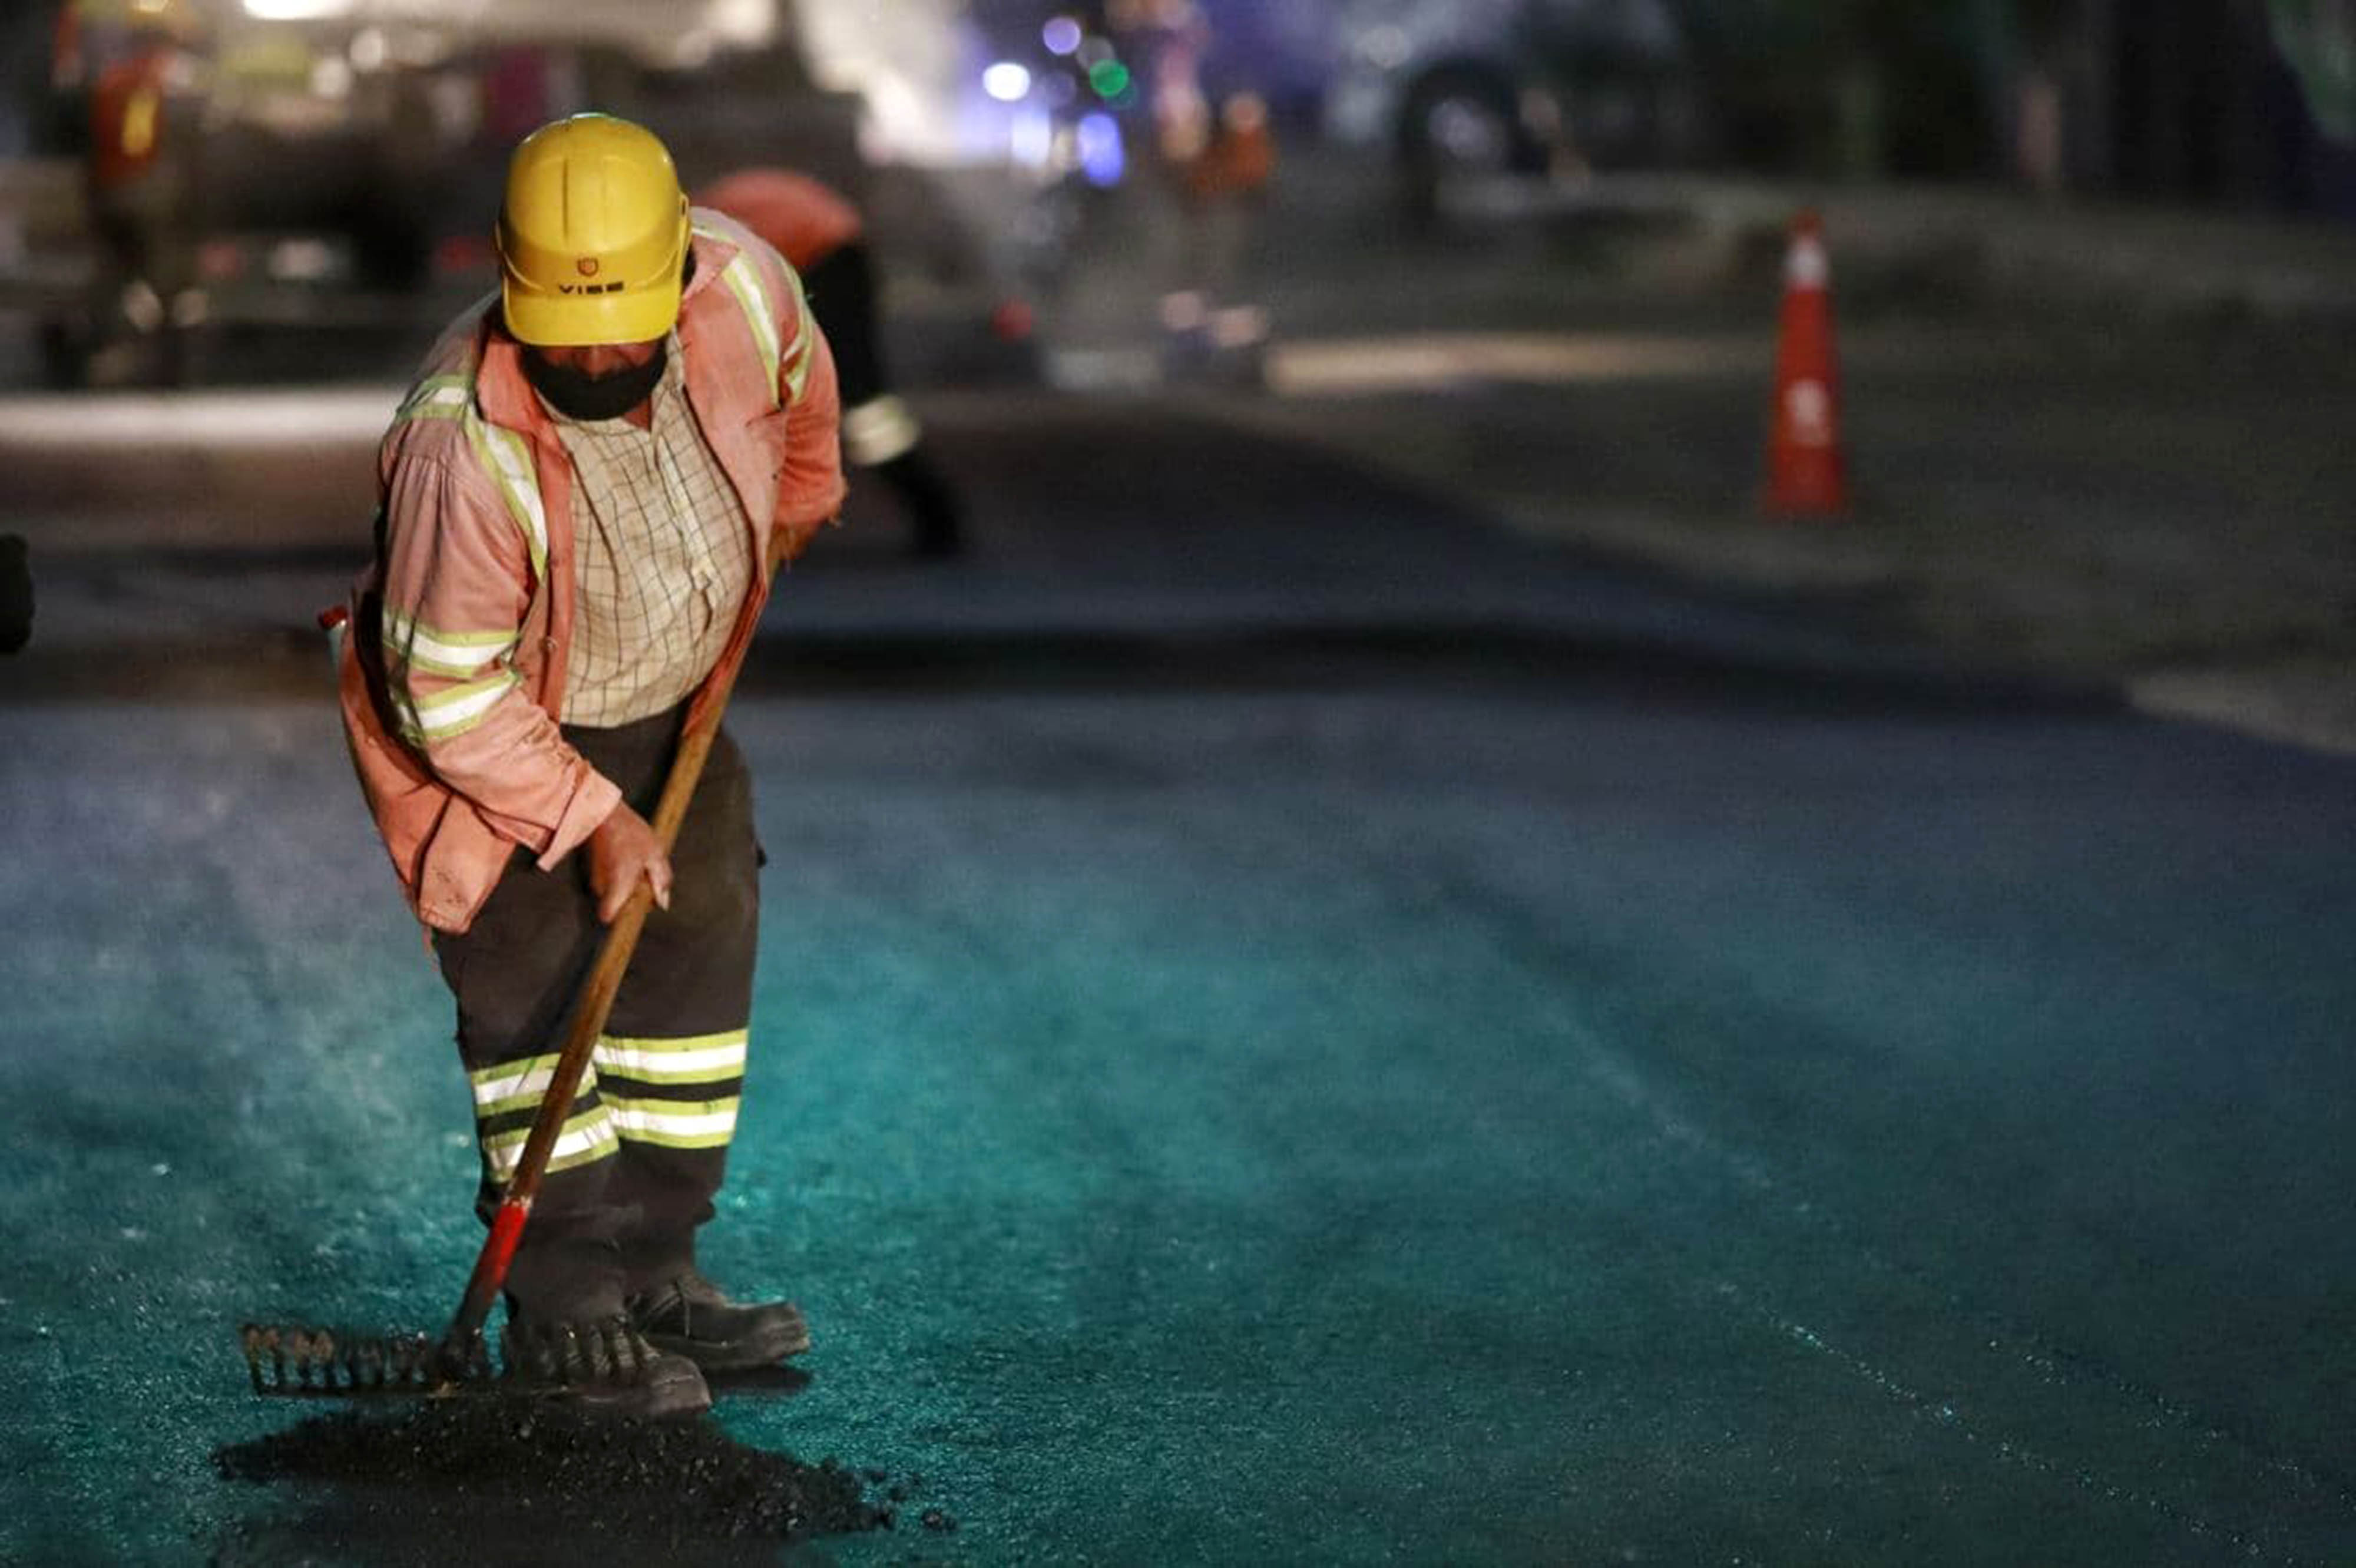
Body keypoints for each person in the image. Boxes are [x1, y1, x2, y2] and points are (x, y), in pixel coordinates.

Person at [335, 114, 845, 1419]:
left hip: (676, 706)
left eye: (631, 321)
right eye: (574, 332)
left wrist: (797, 499)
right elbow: (443, 689)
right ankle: (562, 1307)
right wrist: (588, 814)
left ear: (680, 270)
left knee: (690, 984)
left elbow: (799, 385)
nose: (607, 353)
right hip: (502, 742)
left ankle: (660, 1267)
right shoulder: (467, 443)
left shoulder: (738, 285)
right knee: (531, 1008)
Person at [697, 167, 965, 558]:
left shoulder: (703, 234)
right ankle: (934, 514)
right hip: (832, 250)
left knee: (863, 405)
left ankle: (935, 513)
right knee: (858, 399)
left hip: (825, 259)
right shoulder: (717, 210)